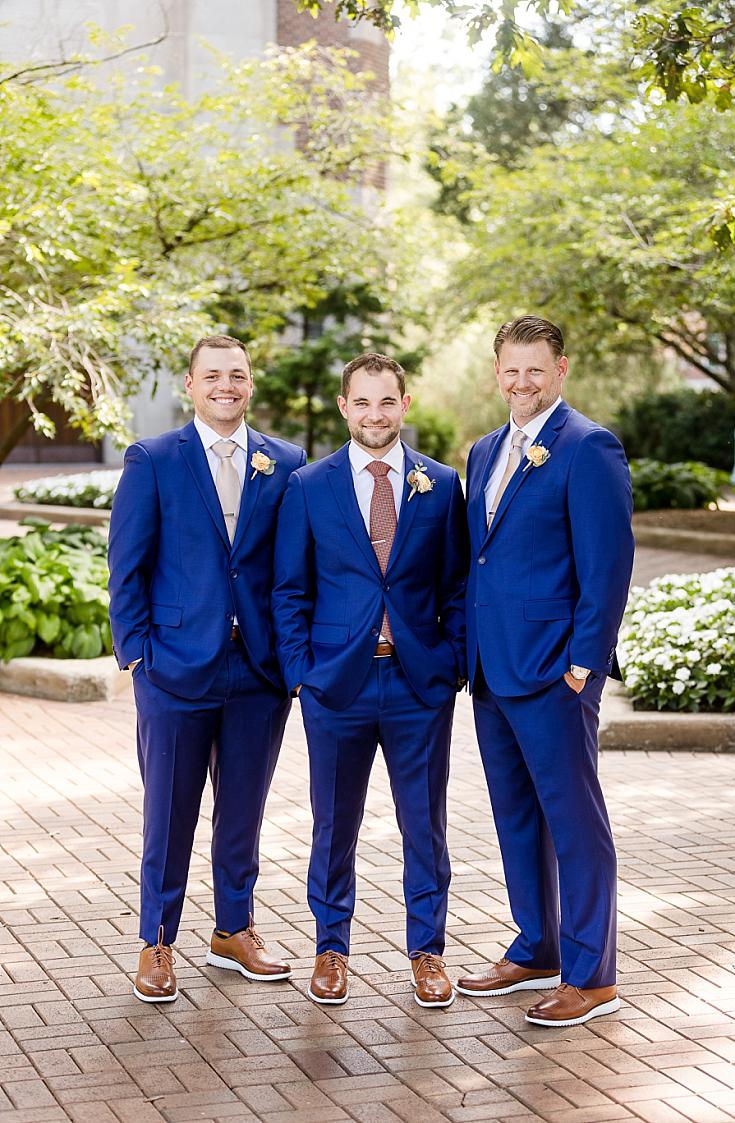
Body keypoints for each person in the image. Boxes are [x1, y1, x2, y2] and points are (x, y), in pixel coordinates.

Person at [108, 333, 305, 1003]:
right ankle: (157, 939)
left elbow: (293, 569)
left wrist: (292, 656)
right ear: (189, 385)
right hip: (173, 670)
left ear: (251, 384)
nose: (227, 385)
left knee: (243, 811)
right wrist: (137, 655)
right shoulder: (153, 459)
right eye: (213, 375)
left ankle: (233, 929)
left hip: (259, 671)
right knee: (169, 812)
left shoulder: (287, 462)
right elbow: (127, 564)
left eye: (238, 374)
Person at [272, 353, 468, 1008]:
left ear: (404, 404)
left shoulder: (440, 486)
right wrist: (303, 673)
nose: (375, 415)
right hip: (337, 687)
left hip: (418, 686)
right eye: (362, 402)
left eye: (387, 402)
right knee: (334, 825)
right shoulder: (307, 486)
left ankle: (428, 951)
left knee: (425, 825)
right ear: (343, 406)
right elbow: (289, 590)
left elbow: (457, 586)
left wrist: (452, 662)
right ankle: (331, 947)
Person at [457, 315, 634, 1027]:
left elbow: (608, 564)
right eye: (511, 369)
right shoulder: (484, 450)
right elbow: (484, 558)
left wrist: (583, 662)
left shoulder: (588, 447)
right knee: (516, 816)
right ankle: (537, 943)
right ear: (496, 373)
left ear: (560, 370)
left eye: (536, 369)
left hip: (555, 671)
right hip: (491, 670)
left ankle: (592, 974)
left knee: (575, 823)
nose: (522, 381)